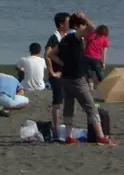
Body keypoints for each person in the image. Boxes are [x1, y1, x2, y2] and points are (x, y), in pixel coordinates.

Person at [49, 13, 115, 145]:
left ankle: (69, 137)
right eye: (82, 26)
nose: (85, 29)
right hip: (77, 79)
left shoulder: (64, 39)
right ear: (78, 26)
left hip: (66, 78)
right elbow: (93, 28)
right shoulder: (75, 36)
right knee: (91, 108)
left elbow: (51, 54)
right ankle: (101, 136)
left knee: (69, 108)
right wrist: (84, 18)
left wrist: (63, 64)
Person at [45, 12, 70, 135]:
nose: (70, 24)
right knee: (58, 102)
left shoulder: (68, 36)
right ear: (61, 24)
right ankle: (56, 128)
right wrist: (52, 72)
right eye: (68, 22)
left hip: (66, 74)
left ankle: (63, 126)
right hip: (57, 75)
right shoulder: (54, 38)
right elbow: (47, 55)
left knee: (67, 101)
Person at [84, 25, 109, 89]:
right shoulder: (92, 35)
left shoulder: (103, 38)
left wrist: (103, 62)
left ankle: (100, 87)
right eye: (99, 34)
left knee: (96, 75)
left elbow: (104, 51)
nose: (99, 36)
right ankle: (92, 88)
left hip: (94, 58)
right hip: (89, 57)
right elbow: (84, 43)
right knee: (91, 75)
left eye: (101, 35)